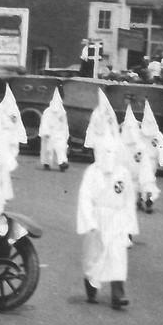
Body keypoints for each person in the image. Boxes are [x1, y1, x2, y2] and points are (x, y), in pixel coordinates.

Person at [77, 138, 137, 310]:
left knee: (117, 256)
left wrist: (129, 226)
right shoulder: (92, 172)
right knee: (93, 257)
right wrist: (89, 220)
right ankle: (91, 288)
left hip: (116, 219)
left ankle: (118, 295)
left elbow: (128, 200)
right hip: (97, 218)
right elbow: (85, 198)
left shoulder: (122, 173)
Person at [38, 89, 69, 171]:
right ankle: (46, 163)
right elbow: (44, 123)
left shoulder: (62, 112)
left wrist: (65, 134)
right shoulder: (47, 112)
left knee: (61, 148)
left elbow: (64, 124)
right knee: (48, 149)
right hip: (49, 133)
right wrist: (46, 132)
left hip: (59, 133)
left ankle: (62, 163)